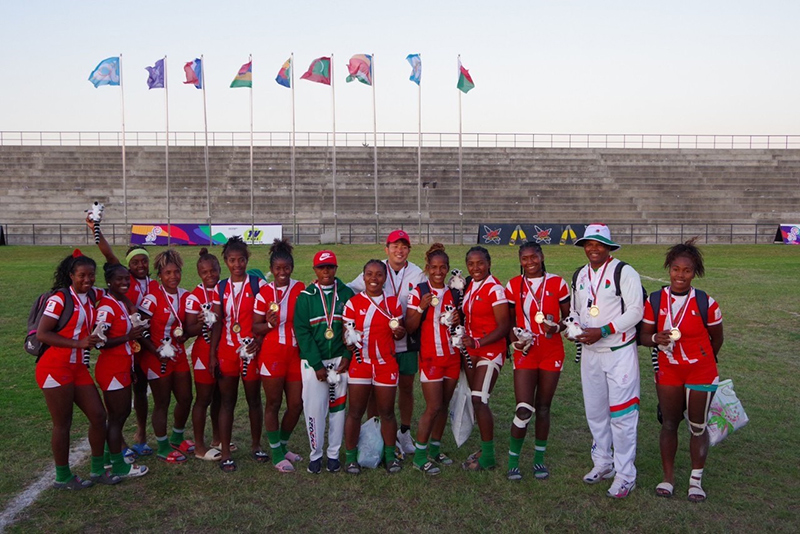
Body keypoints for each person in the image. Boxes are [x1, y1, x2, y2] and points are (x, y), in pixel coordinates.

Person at [639, 238, 723, 502]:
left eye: (687, 270)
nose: (680, 275)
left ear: (694, 272)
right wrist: (656, 339)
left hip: (701, 371)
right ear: (669, 269)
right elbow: (643, 336)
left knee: (697, 426)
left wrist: (704, 361)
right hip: (669, 370)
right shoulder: (655, 299)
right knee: (669, 423)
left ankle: (695, 481)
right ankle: (668, 478)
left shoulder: (705, 302)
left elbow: (717, 339)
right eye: (676, 269)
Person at [569, 223, 643, 499]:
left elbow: (636, 311)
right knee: (596, 412)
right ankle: (603, 462)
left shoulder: (625, 271)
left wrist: (603, 330)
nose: (593, 249)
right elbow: (576, 310)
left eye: (599, 244)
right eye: (589, 244)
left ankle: (626, 475)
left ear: (609, 247)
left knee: (622, 416)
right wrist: (575, 328)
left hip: (619, 352)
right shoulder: (580, 275)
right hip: (590, 353)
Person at [35, 251, 115, 488]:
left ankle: (98, 470)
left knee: (99, 416)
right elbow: (43, 333)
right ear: (71, 275)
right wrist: (78, 343)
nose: (87, 280)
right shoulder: (59, 299)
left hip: (78, 368)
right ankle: (62, 476)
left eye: (91, 275)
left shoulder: (92, 294)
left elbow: (114, 291)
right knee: (63, 423)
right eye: (82, 275)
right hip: (54, 367)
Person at [348, 230, 425, 456]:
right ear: (387, 249)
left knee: (406, 386)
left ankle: (404, 431)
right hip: (380, 342)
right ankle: (375, 431)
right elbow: (351, 289)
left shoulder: (417, 273)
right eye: (394, 246)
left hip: (407, 338)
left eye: (403, 246)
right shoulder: (376, 269)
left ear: (409, 250)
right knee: (374, 391)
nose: (399, 250)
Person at [87, 218, 156, 457]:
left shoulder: (151, 282)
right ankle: (120, 443)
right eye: (134, 262)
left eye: (143, 261)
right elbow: (107, 253)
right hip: (125, 342)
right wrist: (96, 229)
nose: (139, 265)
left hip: (142, 342)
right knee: (124, 399)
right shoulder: (123, 280)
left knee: (141, 390)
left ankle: (141, 434)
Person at [504, 243, 570, 481]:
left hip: (552, 351)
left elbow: (569, 317)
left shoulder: (558, 283)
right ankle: (513, 461)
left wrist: (557, 326)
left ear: (542, 257)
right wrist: (515, 342)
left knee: (543, 407)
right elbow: (509, 321)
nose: (530, 262)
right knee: (523, 408)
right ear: (520, 260)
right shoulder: (513, 285)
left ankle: (539, 459)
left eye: (534, 257)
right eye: (524, 258)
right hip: (526, 351)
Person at [208, 236, 268, 473]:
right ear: (226, 261)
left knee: (254, 400)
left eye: (241, 259)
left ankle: (256, 445)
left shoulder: (258, 285)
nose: (237, 265)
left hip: (251, 351)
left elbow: (265, 320)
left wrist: (259, 341)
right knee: (227, 402)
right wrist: (213, 354)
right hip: (227, 351)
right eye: (232, 260)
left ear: (247, 259)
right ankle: (225, 451)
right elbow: (216, 323)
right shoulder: (220, 288)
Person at [293, 250, 354, 474]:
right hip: (313, 363)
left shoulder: (347, 293)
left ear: (336, 269)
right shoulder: (306, 296)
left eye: (330, 267)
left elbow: (352, 329)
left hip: (339, 361)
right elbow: (302, 332)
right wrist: (317, 365)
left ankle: (334, 455)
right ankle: (316, 454)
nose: (326, 271)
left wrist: (347, 357)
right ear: (315, 270)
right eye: (321, 267)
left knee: (338, 409)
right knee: (314, 409)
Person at [343, 260, 406, 475]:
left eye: (379, 274)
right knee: (355, 411)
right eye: (369, 274)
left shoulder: (393, 303)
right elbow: (347, 337)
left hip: (385, 363)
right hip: (360, 364)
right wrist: (349, 341)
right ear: (363, 277)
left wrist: (400, 333)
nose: (374, 279)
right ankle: (351, 457)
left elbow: (399, 330)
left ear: (385, 278)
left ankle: (390, 456)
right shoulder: (352, 304)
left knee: (387, 412)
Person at [405, 244, 461, 475]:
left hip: (452, 356)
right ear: (427, 268)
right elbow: (409, 327)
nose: (438, 272)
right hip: (430, 357)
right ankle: (419, 456)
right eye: (434, 267)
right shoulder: (418, 291)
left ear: (447, 269)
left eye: (443, 267)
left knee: (444, 406)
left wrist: (457, 319)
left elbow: (458, 326)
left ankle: (435, 448)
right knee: (433, 406)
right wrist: (421, 307)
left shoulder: (454, 292)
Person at [253, 239, 306, 473]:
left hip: (295, 354)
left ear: (292, 267)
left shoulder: (301, 288)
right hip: (272, 353)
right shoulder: (264, 292)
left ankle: (282, 446)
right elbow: (255, 327)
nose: (282, 272)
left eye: (286, 268)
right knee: (273, 403)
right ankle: (275, 453)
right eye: (278, 269)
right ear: (272, 269)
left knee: (296, 404)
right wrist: (268, 324)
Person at [138, 249, 195, 464]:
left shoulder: (186, 295)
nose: (173, 276)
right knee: (162, 402)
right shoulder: (152, 299)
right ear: (160, 275)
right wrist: (155, 351)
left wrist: (189, 332)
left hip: (178, 355)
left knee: (186, 398)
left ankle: (177, 437)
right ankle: (162, 446)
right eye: (168, 273)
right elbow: (139, 328)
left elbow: (189, 326)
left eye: (176, 272)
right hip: (156, 357)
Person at [94, 263, 149, 479]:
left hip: (121, 366)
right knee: (118, 416)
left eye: (127, 279)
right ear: (109, 282)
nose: (125, 283)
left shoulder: (119, 303)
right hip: (112, 369)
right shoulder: (106, 308)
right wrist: (128, 337)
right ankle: (119, 465)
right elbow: (99, 341)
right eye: (119, 280)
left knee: (120, 414)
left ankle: (109, 456)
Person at [460, 246, 510, 471]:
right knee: (477, 400)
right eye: (471, 264)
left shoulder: (495, 288)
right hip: (472, 351)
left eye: (480, 263)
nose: (475, 267)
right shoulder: (470, 285)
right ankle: (484, 447)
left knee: (479, 399)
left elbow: (503, 326)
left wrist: (478, 342)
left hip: (490, 350)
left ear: (489, 263)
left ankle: (488, 457)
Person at [183, 248, 223, 461]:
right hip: (203, 352)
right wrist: (203, 321)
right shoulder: (194, 297)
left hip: (222, 350)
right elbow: (189, 330)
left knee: (219, 397)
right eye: (205, 272)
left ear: (219, 269)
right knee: (203, 398)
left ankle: (218, 439)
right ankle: (199, 446)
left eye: (213, 271)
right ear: (199, 273)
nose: (210, 275)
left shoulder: (224, 289)